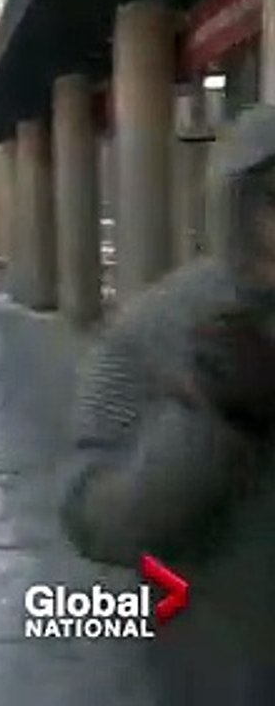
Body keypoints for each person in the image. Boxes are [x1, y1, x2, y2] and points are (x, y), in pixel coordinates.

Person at [60, 105, 275, 704]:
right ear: (238, 208)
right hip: (220, 675)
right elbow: (90, 517)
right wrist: (212, 421)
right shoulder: (158, 327)